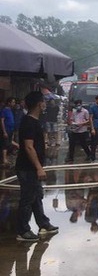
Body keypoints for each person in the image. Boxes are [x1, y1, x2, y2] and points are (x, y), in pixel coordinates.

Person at [15, 91, 59, 241]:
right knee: (27, 198)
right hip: (27, 168)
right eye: (43, 101)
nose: (45, 104)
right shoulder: (28, 122)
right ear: (39, 104)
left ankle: (43, 224)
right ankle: (22, 231)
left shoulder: (34, 121)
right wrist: (39, 167)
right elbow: (28, 147)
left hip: (32, 167)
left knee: (36, 196)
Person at [1, 97, 17, 168]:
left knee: (9, 143)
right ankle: (4, 159)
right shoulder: (4, 110)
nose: (14, 103)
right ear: (9, 103)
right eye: (13, 102)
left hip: (10, 130)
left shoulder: (10, 110)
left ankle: (6, 156)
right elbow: (2, 121)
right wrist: (4, 131)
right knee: (5, 144)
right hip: (6, 130)